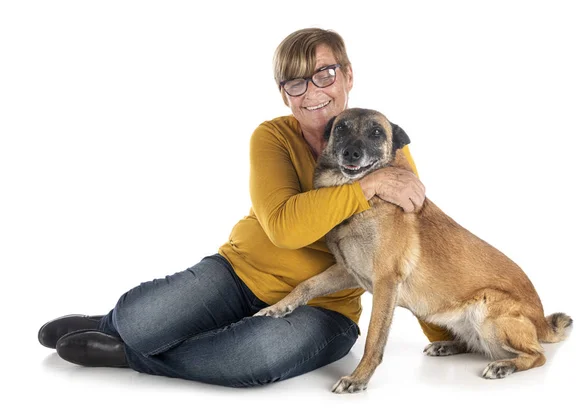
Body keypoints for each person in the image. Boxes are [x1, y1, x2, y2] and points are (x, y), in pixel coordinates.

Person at [38, 28, 452, 388]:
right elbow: (285, 229)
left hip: (322, 307)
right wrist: (370, 185)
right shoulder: (271, 137)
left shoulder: (385, 140)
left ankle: (130, 355)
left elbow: (414, 242)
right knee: (141, 321)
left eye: (324, 74)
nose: (313, 92)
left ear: (346, 75)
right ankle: (116, 326)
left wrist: (444, 330)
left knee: (249, 358)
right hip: (238, 273)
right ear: (284, 93)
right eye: (296, 83)